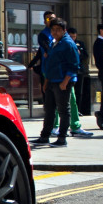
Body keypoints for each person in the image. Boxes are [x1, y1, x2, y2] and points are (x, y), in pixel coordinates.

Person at [34, 17, 78, 148]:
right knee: (49, 110)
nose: (55, 32)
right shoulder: (54, 42)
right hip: (52, 80)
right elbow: (50, 64)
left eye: (58, 30)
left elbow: (74, 65)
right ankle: (45, 136)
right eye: (53, 30)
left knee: (64, 110)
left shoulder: (68, 44)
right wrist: (46, 81)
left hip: (62, 81)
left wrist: (65, 81)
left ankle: (62, 138)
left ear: (64, 30)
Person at [59, 27, 93, 137]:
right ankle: (58, 129)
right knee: (61, 104)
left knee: (72, 101)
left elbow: (81, 58)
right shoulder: (60, 44)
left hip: (70, 77)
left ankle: (73, 127)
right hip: (62, 78)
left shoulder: (73, 44)